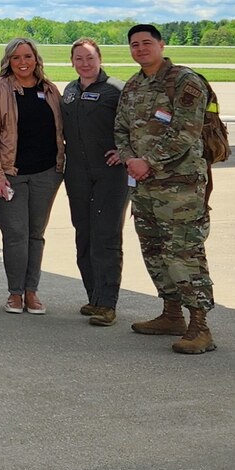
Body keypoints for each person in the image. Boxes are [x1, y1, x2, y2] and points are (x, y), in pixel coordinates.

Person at [114, 24, 217, 354]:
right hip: (144, 187)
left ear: (161, 44)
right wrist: (130, 159)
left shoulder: (186, 81)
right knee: (154, 250)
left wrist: (149, 162)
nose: (140, 49)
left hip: (179, 189)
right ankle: (172, 314)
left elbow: (187, 132)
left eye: (146, 43)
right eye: (134, 45)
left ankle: (200, 325)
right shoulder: (132, 85)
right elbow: (121, 130)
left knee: (183, 252)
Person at [0, 36, 64, 316]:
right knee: (15, 234)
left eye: (28, 56)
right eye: (16, 57)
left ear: (36, 59)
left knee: (35, 235)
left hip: (45, 174)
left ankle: (32, 291)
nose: (23, 62)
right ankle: (15, 293)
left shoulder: (49, 90)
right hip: (9, 175)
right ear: (8, 61)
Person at [62, 37, 130, 326]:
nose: (85, 63)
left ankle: (107, 303)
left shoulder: (116, 90)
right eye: (79, 58)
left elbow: (137, 124)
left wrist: (126, 152)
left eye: (89, 57)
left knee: (106, 237)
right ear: (72, 62)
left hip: (109, 174)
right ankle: (93, 297)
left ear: (100, 58)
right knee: (84, 236)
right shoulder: (70, 90)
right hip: (77, 172)